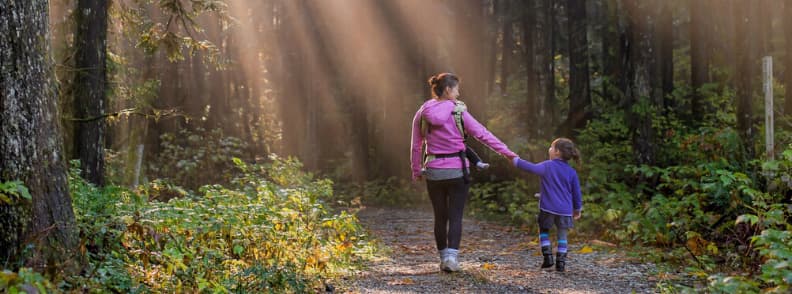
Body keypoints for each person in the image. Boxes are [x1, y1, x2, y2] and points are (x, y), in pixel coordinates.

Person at [410, 72, 517, 272]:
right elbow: (483, 134)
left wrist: (416, 169)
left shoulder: (423, 111)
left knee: (440, 216)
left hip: (434, 171)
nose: (458, 93)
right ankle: (452, 258)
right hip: (457, 171)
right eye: (457, 89)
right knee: (456, 215)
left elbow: (416, 145)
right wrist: (508, 154)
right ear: (449, 89)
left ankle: (443, 259)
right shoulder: (458, 112)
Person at [512, 138, 583, 272]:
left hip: (548, 208)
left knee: (544, 231)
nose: (549, 149)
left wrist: (515, 160)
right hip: (565, 210)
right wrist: (577, 209)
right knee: (562, 235)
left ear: (556, 152)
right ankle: (561, 263)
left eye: (551, 147)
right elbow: (576, 193)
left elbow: (530, 168)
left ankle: (548, 257)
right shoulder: (571, 172)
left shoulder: (547, 166)